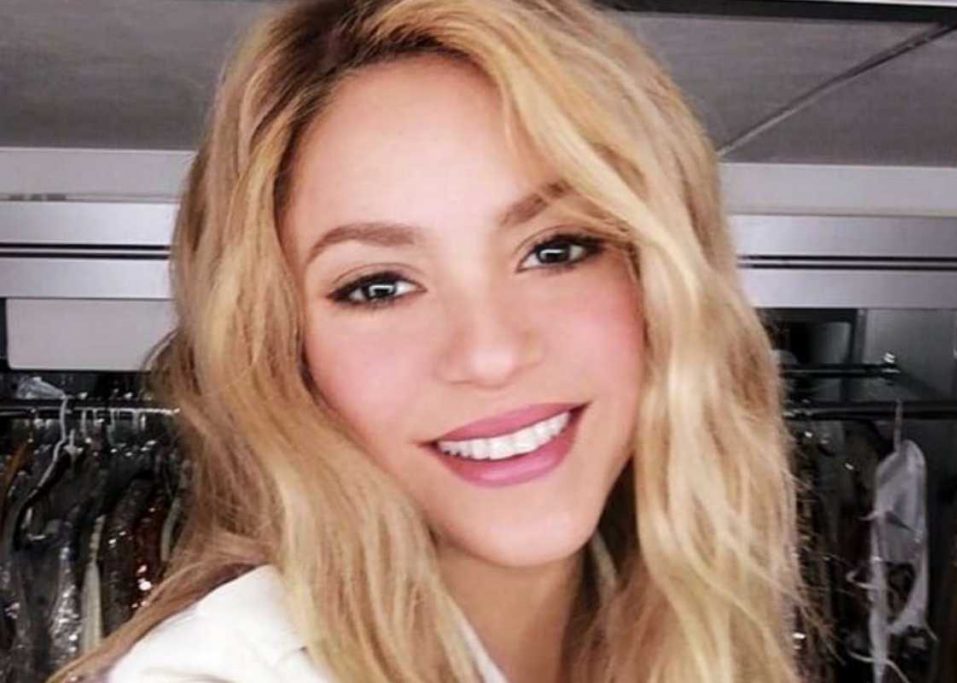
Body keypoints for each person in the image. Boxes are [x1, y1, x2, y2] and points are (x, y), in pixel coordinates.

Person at [51, 0, 810, 681]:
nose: (489, 353)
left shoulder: (697, 619)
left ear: (664, 278)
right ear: (282, 353)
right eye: (378, 285)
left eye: (555, 249)